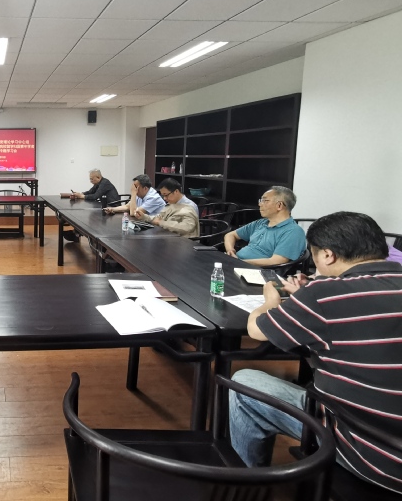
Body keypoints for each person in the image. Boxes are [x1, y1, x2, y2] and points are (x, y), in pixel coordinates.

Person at [229, 212, 402, 494]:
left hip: (376, 455)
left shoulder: (325, 293)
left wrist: (270, 302)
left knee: (244, 383)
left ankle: (246, 489)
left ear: (328, 255)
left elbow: (257, 330)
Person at [223, 186, 306, 266]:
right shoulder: (261, 223)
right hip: (237, 263)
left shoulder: (293, 232)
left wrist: (239, 262)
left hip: (259, 271)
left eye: (265, 200)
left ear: (279, 205)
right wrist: (230, 250)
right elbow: (230, 235)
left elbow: (276, 261)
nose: (260, 204)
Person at [133, 178, 199, 237]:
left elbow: (186, 228)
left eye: (166, 195)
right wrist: (144, 217)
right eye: (163, 195)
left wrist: (161, 223)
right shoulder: (172, 203)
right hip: (168, 237)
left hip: (183, 242)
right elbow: (159, 218)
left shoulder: (190, 206)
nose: (164, 198)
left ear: (176, 191)